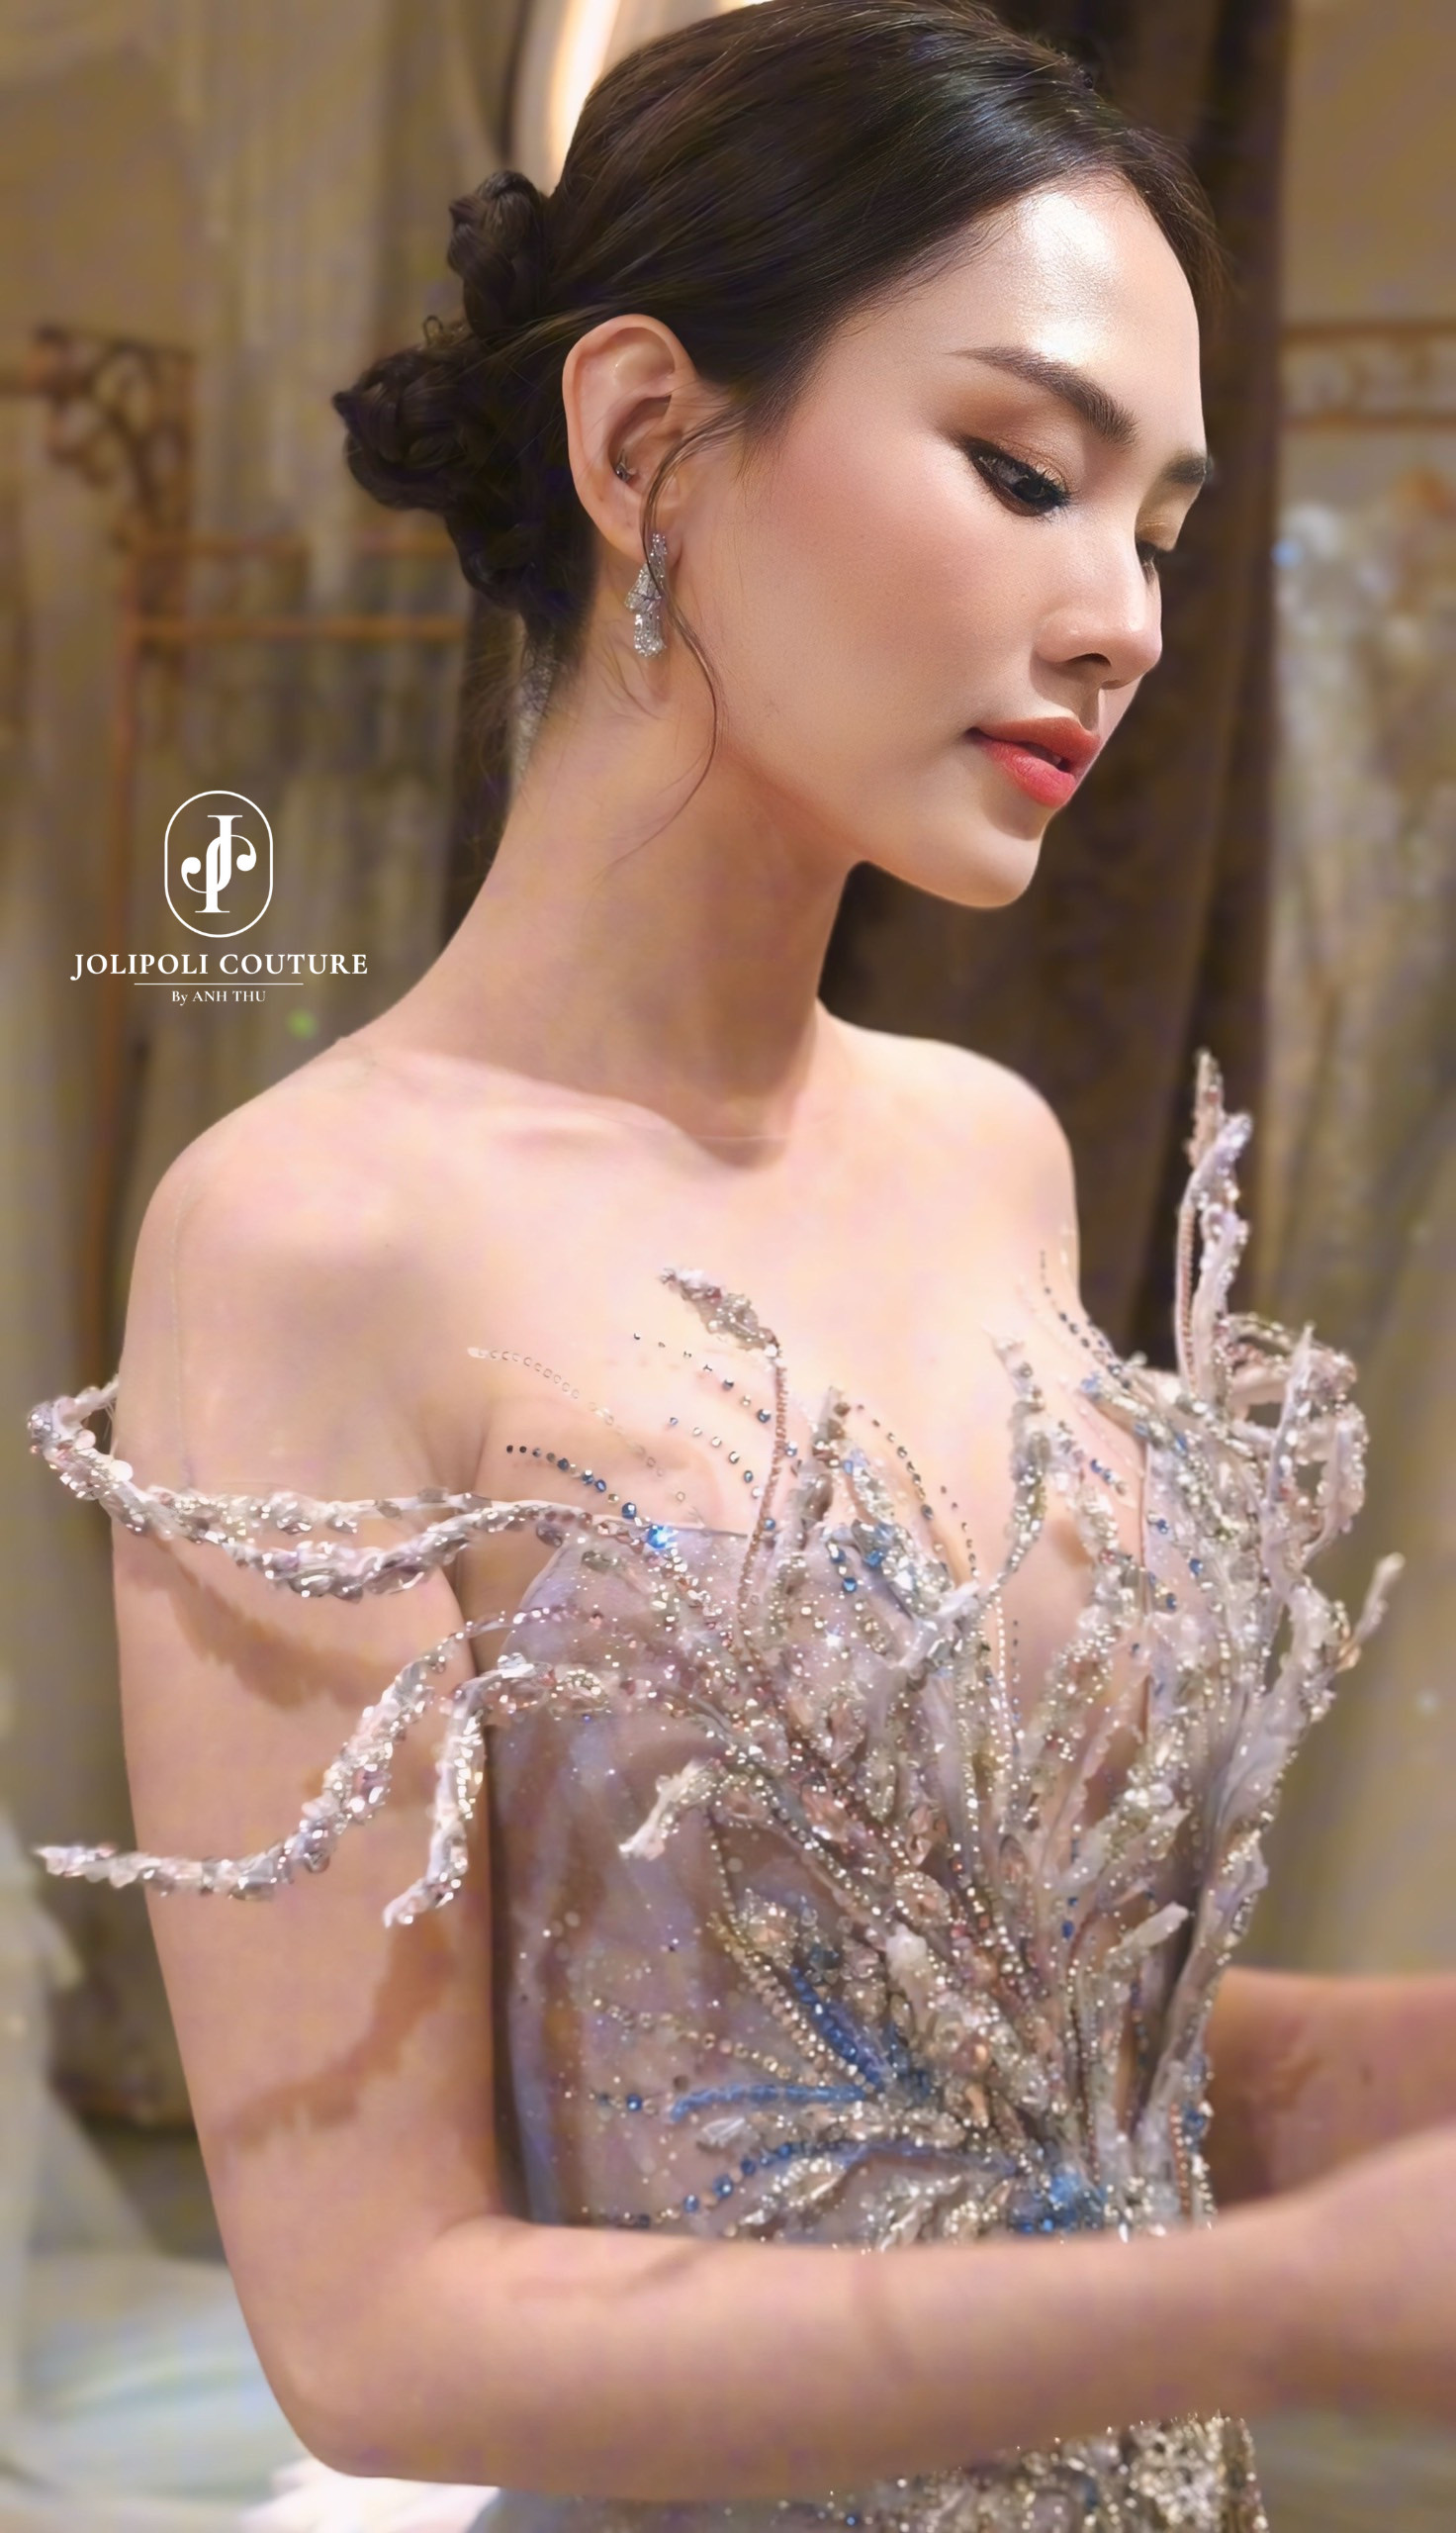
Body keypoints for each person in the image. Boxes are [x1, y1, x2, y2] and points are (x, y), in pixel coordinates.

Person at [31, 6, 1456, 2529]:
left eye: (1158, 527)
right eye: (1024, 471)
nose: (1121, 619)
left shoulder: (990, 1149)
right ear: (642, 442)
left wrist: (1391, 2078)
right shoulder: (310, 1232)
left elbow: (996, 2055)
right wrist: (1264, 2303)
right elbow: (379, 2324)